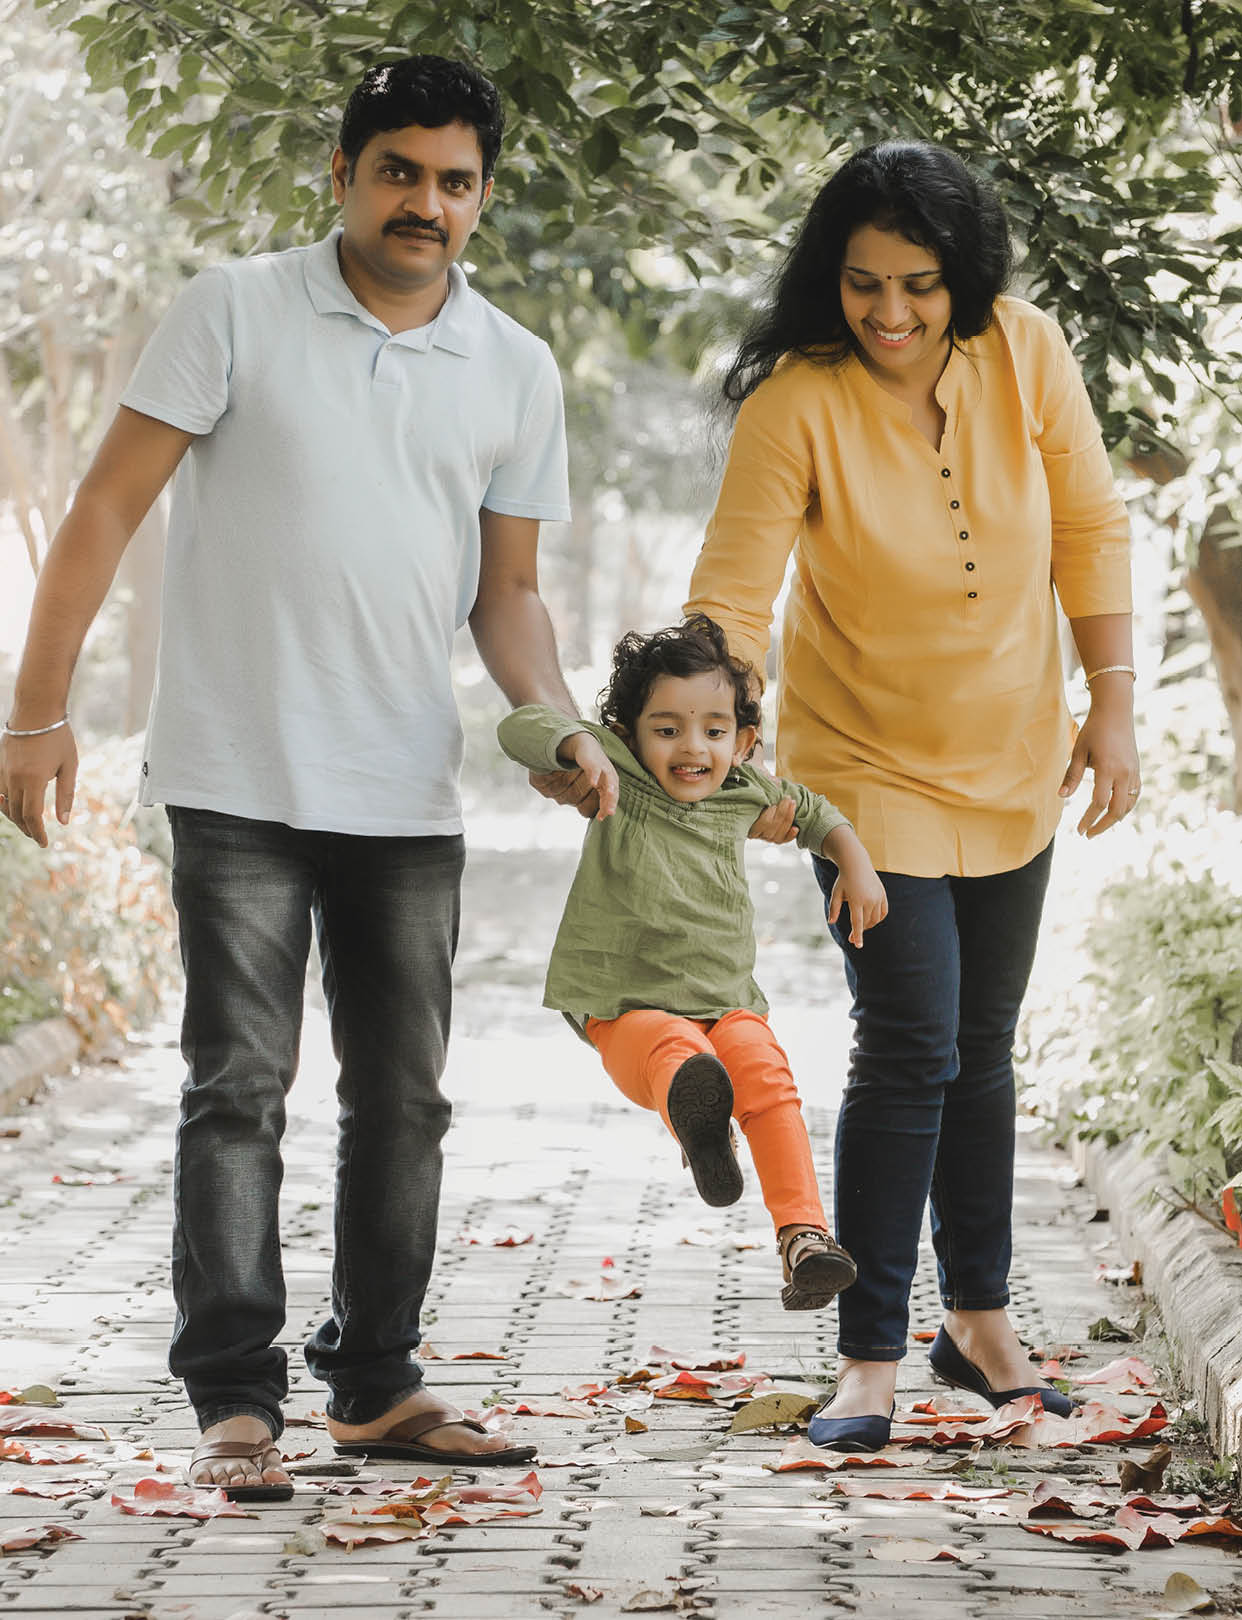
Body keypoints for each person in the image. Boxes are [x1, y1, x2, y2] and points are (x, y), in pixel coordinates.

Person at [0, 56, 579, 1497]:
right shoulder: (234, 312)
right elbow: (106, 507)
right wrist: (33, 709)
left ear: (484, 198)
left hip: (403, 790)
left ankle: (376, 1383)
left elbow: (507, 595)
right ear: (341, 173)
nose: (423, 203)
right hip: (237, 773)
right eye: (398, 171)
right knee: (237, 1085)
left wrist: (558, 723)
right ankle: (234, 1400)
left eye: (453, 181)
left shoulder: (514, 367)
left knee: (405, 1099)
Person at [684, 141, 1138, 1451]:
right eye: (864, 283)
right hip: (858, 775)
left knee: (979, 1054)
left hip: (1010, 761)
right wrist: (722, 735)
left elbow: (1091, 525)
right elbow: (733, 593)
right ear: (831, 279)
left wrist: (1109, 700)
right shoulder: (796, 403)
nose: (889, 313)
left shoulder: (1026, 353)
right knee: (908, 1044)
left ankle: (978, 1324)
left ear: (964, 281)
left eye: (920, 286)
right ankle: (869, 1356)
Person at [498, 614, 887, 1308]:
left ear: (742, 743)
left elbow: (817, 813)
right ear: (629, 733)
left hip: (725, 1000)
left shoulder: (745, 792)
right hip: (624, 1008)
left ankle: (804, 1237)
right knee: (676, 1048)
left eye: (713, 729)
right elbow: (519, 726)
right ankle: (700, 1127)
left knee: (767, 1075)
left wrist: (855, 865)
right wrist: (574, 741)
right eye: (667, 727)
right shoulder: (616, 773)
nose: (691, 747)